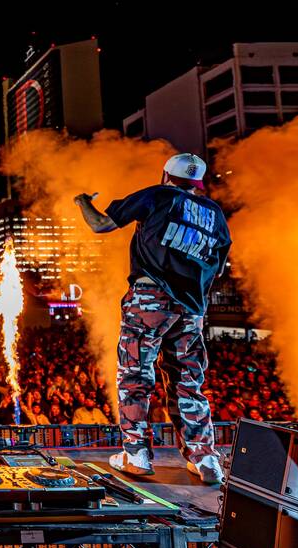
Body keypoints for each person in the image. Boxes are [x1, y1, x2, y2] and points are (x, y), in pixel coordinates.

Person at [74, 152, 231, 485]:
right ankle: (205, 459)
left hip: (150, 297)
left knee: (135, 374)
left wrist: (83, 202)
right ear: (197, 183)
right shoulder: (216, 214)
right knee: (188, 381)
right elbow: (216, 269)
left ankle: (136, 455)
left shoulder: (159, 195)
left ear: (166, 176)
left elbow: (101, 224)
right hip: (192, 307)